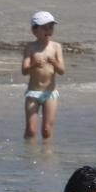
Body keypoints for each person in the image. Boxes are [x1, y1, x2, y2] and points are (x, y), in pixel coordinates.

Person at [21, 10, 65, 140]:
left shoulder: (56, 47)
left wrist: (54, 62)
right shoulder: (30, 48)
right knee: (31, 129)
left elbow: (62, 71)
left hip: (50, 93)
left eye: (51, 27)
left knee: (46, 129)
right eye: (44, 28)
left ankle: (46, 153)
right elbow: (24, 71)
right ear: (34, 31)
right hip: (33, 93)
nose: (48, 30)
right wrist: (33, 65)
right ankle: (29, 153)